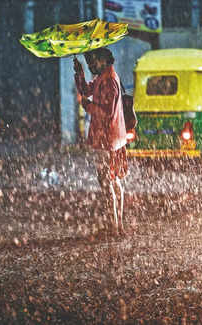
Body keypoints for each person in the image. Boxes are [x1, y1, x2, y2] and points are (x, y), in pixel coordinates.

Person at [73, 48, 128, 236]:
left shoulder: (109, 80)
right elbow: (87, 89)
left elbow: (106, 112)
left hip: (108, 139)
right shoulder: (104, 77)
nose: (90, 66)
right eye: (88, 63)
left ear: (103, 60)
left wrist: (88, 106)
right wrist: (79, 73)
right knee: (113, 182)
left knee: (107, 183)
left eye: (92, 62)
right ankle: (116, 225)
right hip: (113, 138)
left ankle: (113, 226)